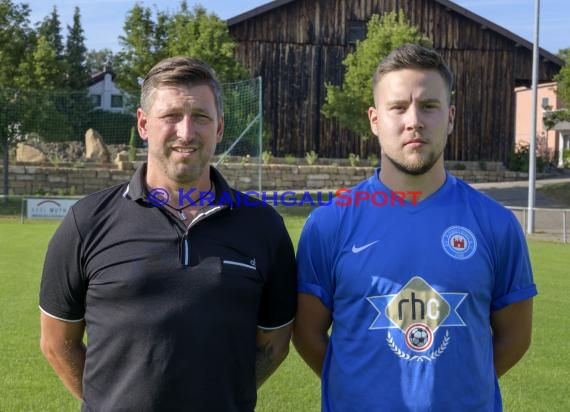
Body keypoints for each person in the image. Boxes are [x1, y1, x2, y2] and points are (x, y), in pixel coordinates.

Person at [39, 56, 297, 411]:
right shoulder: (86, 221)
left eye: (201, 117)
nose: (186, 132)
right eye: (171, 116)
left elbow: (274, 344)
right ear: (144, 124)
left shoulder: (263, 226)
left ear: (219, 128)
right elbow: (57, 342)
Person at [293, 44, 536, 411]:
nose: (414, 120)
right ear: (375, 120)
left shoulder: (496, 224)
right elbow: (307, 334)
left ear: (450, 117)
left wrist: (459, 389)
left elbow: (515, 339)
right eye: (398, 107)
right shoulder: (328, 224)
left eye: (429, 106)